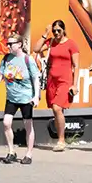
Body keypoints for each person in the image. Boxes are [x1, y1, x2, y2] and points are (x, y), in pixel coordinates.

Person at [0, 33, 41, 164]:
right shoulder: (7, 59)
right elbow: (0, 76)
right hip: (12, 97)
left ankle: (29, 154)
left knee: (28, 125)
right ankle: (11, 151)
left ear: (19, 44)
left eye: (11, 44)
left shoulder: (28, 59)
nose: (8, 46)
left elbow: (36, 78)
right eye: (7, 43)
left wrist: (36, 96)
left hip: (26, 98)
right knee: (6, 122)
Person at [36, 19, 80, 151]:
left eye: (58, 30)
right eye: (54, 31)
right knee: (55, 111)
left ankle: (61, 140)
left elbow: (76, 65)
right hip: (52, 80)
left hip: (65, 81)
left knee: (57, 108)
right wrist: (45, 33)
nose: (56, 33)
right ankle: (60, 138)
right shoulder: (50, 42)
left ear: (64, 30)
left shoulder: (71, 44)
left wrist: (75, 85)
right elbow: (36, 49)